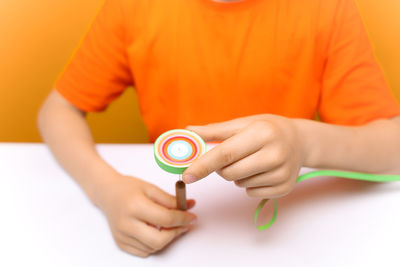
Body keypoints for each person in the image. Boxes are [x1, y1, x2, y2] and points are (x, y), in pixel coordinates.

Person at [38, 0, 400, 258]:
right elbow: (57, 112)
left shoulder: (326, 8)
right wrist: (106, 188)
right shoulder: (133, 7)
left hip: (287, 237)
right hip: (180, 227)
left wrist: (304, 143)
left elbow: (393, 148)